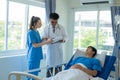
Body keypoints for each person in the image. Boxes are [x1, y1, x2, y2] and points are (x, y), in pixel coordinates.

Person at [42, 13, 67, 77]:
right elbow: (43, 38)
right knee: (49, 71)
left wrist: (63, 40)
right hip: (50, 49)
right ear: (49, 19)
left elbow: (65, 37)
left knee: (58, 72)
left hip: (58, 49)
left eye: (56, 22)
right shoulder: (46, 28)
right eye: (52, 22)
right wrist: (48, 40)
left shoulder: (61, 27)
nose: (54, 23)